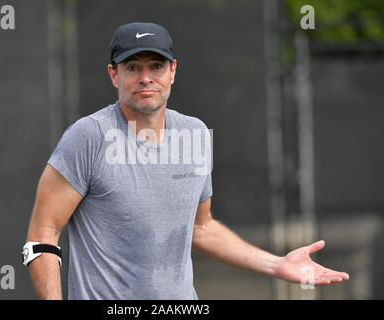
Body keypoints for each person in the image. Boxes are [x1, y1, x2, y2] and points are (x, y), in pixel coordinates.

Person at [24, 22, 349, 300]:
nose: (145, 78)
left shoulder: (193, 133)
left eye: (156, 66)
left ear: (173, 71)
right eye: (133, 67)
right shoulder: (87, 137)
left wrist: (277, 265)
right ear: (114, 74)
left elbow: (200, 228)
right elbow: (43, 233)